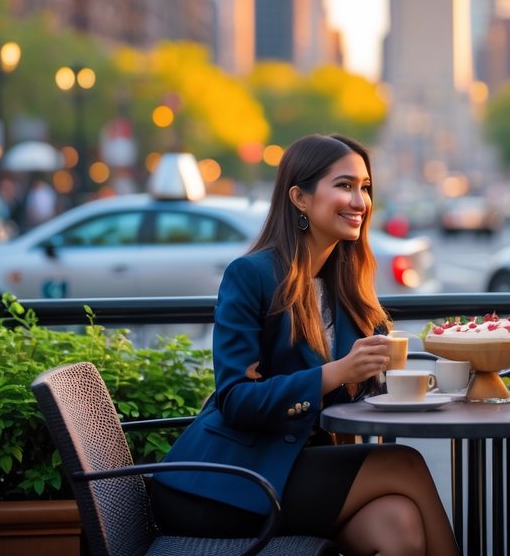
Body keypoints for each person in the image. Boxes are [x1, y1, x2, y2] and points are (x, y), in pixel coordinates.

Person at [152, 134, 458, 556]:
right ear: (299, 197)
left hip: (297, 469)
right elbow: (236, 399)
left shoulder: (344, 286)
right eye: (345, 185)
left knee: (399, 526)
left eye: (365, 187)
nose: (359, 201)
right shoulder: (251, 274)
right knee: (404, 463)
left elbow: (358, 395)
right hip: (227, 484)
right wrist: (337, 372)